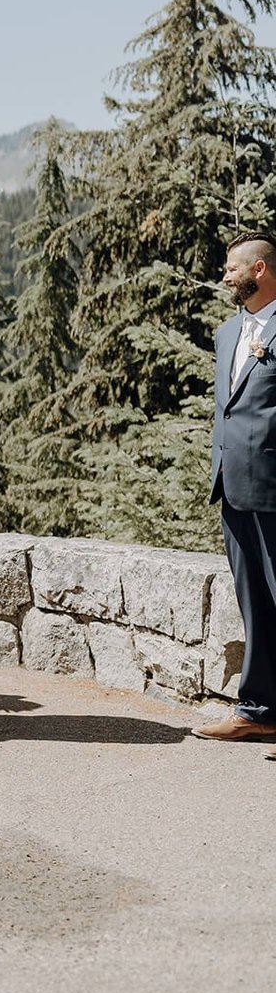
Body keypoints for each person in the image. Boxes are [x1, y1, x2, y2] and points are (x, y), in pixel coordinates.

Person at [195, 231, 276, 751]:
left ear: (260, 270)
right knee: (254, 603)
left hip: (273, 484)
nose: (226, 276)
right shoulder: (228, 333)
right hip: (232, 483)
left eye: (232, 268)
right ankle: (258, 711)